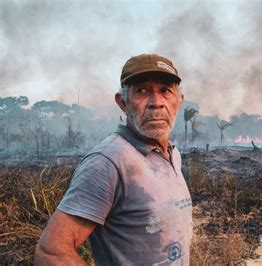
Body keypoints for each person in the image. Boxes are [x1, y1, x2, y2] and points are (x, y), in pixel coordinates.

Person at [35, 54, 193, 265]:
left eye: (165, 90)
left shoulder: (172, 154)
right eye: (142, 91)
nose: (156, 103)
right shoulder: (108, 162)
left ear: (178, 101)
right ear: (123, 103)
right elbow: (51, 252)